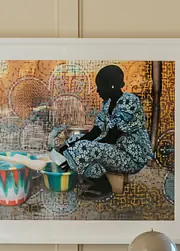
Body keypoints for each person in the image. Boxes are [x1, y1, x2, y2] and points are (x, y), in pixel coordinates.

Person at [56, 65, 154, 200]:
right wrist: (66, 147)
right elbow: (95, 131)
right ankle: (95, 179)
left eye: (100, 86)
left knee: (83, 147)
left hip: (131, 156)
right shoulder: (107, 104)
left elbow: (112, 137)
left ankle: (103, 186)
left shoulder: (130, 101)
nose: (97, 90)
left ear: (111, 86)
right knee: (74, 141)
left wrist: (80, 148)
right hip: (115, 150)